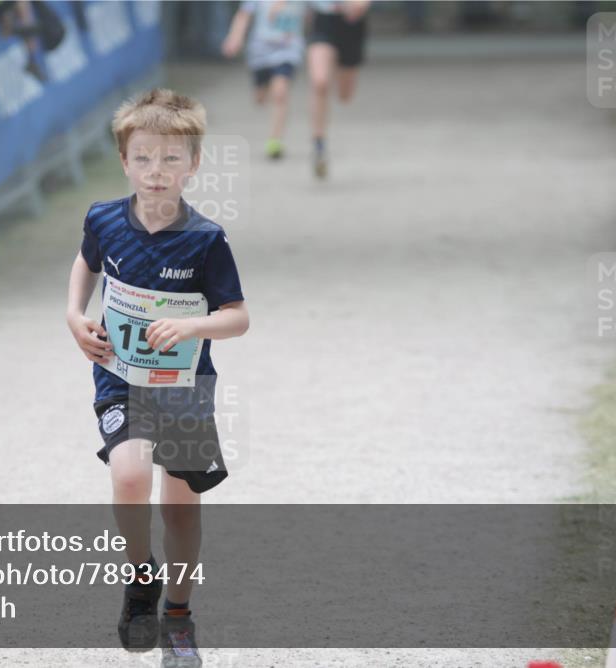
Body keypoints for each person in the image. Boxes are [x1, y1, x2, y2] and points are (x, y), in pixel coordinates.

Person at [66, 89, 249, 667]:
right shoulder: (103, 217)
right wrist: (74, 315)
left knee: (181, 509)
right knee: (128, 474)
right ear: (125, 161)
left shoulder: (206, 239)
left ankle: (178, 616)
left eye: (171, 159)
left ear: (193, 165)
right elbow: (86, 262)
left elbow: (238, 317)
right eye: (143, 157)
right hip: (120, 379)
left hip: (185, 387)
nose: (156, 171)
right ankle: (141, 574)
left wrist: (192, 325)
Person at [221, 0, 306, 160]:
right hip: (260, 53)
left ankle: (275, 141)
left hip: (288, 50)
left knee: (280, 93)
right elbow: (243, 15)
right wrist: (235, 37)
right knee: (260, 99)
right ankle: (263, 90)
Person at [306, 0, 369, 178]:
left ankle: (338, 70)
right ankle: (319, 145)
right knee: (320, 82)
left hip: (351, 25)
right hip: (323, 21)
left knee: (345, 96)